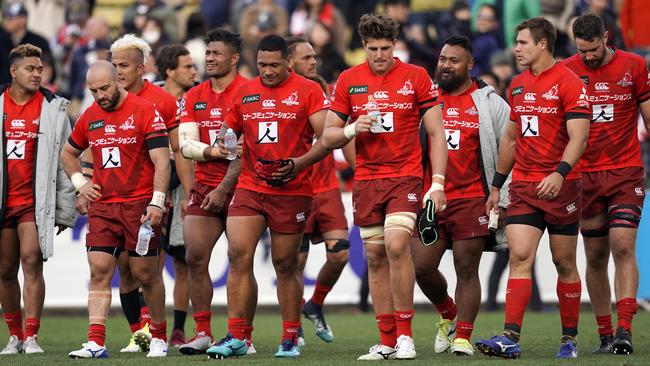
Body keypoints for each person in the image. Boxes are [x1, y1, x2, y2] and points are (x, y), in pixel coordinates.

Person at [323, 14, 447, 360]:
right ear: (363, 47)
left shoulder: (416, 76)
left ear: (395, 46)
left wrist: (437, 183)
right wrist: (352, 128)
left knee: (396, 245)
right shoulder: (349, 80)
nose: (379, 55)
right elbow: (328, 135)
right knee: (375, 256)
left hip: (405, 176)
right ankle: (387, 340)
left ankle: (406, 336)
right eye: (373, 48)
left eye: (385, 48)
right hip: (367, 179)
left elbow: (436, 132)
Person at [206, 34, 330, 359]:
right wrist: (223, 141)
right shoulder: (245, 92)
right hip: (250, 186)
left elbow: (327, 138)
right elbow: (228, 131)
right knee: (237, 255)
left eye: (275, 65)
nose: (268, 71)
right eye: (262, 65)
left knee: (286, 265)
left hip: (292, 189)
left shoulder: (308, 91)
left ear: (288, 62)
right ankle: (237, 336)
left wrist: (299, 164)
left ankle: (289, 336)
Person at [475, 17, 590, 359]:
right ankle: (510, 336)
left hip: (562, 187)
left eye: (523, 42)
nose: (516, 48)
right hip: (524, 185)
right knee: (520, 256)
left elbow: (579, 136)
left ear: (542, 44)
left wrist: (559, 173)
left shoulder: (569, 83)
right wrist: (497, 185)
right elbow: (511, 138)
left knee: (563, 262)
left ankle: (569, 339)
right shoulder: (518, 84)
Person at [61, 60, 170, 358]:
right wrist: (80, 182)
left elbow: (162, 160)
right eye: (93, 90)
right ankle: (96, 342)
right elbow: (68, 153)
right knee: (99, 270)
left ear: (118, 81)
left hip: (140, 205)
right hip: (104, 207)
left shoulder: (145, 110)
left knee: (145, 274)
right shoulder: (90, 117)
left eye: (104, 88)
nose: (99, 95)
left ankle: (159, 336)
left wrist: (157, 200)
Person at [411, 36, 511, 357]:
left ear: (469, 64)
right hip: (431, 199)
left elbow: (509, 149)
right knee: (422, 267)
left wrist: (502, 195)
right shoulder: (425, 99)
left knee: (467, 268)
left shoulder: (490, 102)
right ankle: (449, 314)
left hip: (473, 199)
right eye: (442, 59)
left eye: (454, 60)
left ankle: (463, 337)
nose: (445, 65)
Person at [563, 13, 650, 355]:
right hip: (585, 177)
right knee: (595, 256)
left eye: (594, 49)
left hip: (625, 171)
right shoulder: (567, 70)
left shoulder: (635, 66)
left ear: (606, 37)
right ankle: (604, 333)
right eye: (582, 51)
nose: (589, 57)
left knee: (623, 246)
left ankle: (625, 329)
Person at [104, 34, 181, 353]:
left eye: (123, 65)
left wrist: (171, 193)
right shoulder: (102, 98)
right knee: (124, 267)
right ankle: (140, 334)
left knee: (149, 268)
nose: (117, 71)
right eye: (114, 65)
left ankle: (157, 333)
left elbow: (177, 150)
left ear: (141, 67)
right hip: (115, 199)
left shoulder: (161, 100)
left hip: (153, 198)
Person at [176, 28, 248, 356]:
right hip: (205, 184)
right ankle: (203, 331)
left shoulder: (250, 92)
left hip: (244, 185)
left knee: (240, 260)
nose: (209, 58)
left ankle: (242, 335)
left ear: (233, 58)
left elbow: (247, 151)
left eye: (216, 53)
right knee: (194, 256)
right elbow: (186, 145)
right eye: (207, 53)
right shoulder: (193, 96)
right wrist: (213, 154)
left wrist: (224, 186)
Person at [0, 44, 76, 355]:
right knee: (4, 270)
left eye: (39, 68)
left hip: (34, 203)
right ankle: (14, 336)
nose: (37, 73)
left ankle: (32, 335)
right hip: (4, 203)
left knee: (32, 260)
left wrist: (64, 209)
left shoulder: (54, 107)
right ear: (13, 71)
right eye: (30, 68)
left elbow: (67, 160)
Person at [286, 36, 350, 345]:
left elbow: (341, 136)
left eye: (314, 56)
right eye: (306, 57)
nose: (314, 61)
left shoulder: (327, 93)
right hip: (297, 188)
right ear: (289, 62)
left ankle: (315, 303)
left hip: (327, 189)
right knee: (294, 263)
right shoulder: (283, 96)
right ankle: (293, 321)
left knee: (340, 255)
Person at [154, 43, 197, 347]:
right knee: (149, 259)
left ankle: (178, 328)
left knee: (184, 261)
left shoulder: (198, 98)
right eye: (187, 67)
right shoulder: (151, 98)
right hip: (154, 185)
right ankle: (149, 327)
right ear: (169, 71)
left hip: (184, 185)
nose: (194, 72)